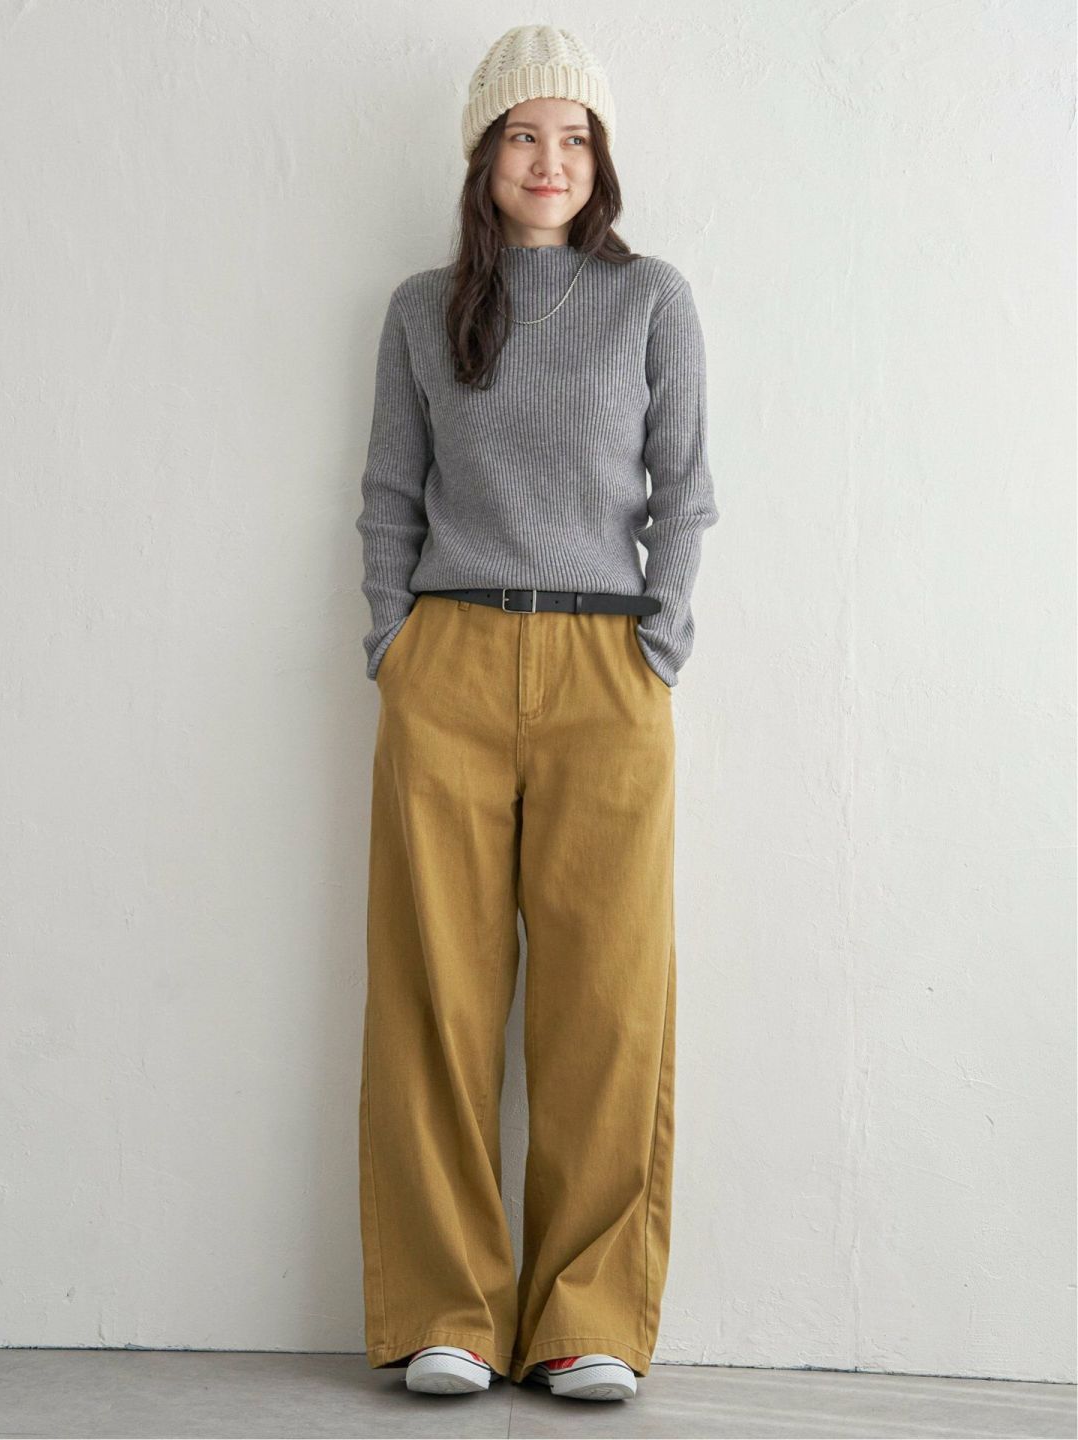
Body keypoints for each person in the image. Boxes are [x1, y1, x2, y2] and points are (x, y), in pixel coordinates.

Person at [354, 23, 720, 1404]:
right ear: (485, 154)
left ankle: (589, 1316)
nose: (549, 159)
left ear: (600, 158)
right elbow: (387, 494)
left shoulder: (651, 300)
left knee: (607, 1000)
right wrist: (393, 643)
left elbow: (684, 489)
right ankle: (446, 1308)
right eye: (523, 134)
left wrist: (659, 644)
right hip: (447, 661)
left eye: (573, 137)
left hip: (606, 669)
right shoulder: (422, 307)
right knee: (434, 993)